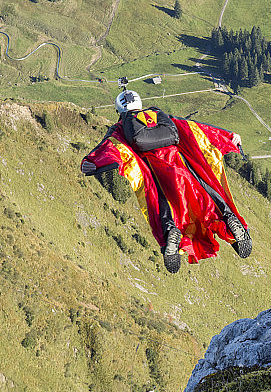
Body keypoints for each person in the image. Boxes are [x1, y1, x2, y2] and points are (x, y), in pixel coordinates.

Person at [80, 88, 251, 272]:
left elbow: (110, 146)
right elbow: (193, 129)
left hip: (155, 171)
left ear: (118, 110)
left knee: (162, 208)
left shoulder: (121, 127)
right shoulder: (158, 114)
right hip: (180, 162)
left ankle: (170, 237)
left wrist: (90, 162)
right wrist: (228, 136)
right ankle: (228, 222)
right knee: (206, 198)